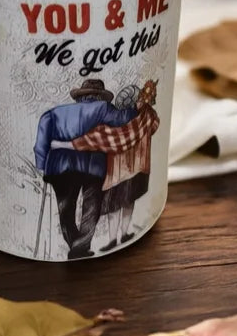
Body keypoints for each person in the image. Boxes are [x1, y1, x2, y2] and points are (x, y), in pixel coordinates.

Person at [33, 78, 136, 259]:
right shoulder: (103, 108)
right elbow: (122, 119)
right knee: (92, 207)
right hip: (92, 165)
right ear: (99, 96)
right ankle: (80, 247)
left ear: (81, 96)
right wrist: (135, 107)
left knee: (65, 209)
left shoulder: (52, 114)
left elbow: (41, 144)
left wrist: (41, 165)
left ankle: (76, 246)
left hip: (59, 166)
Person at [51, 80, 159, 252]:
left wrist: (56, 148)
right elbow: (153, 125)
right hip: (113, 169)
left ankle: (106, 240)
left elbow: (96, 139)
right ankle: (100, 242)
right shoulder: (120, 116)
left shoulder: (69, 114)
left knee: (112, 205)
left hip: (107, 170)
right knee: (111, 206)